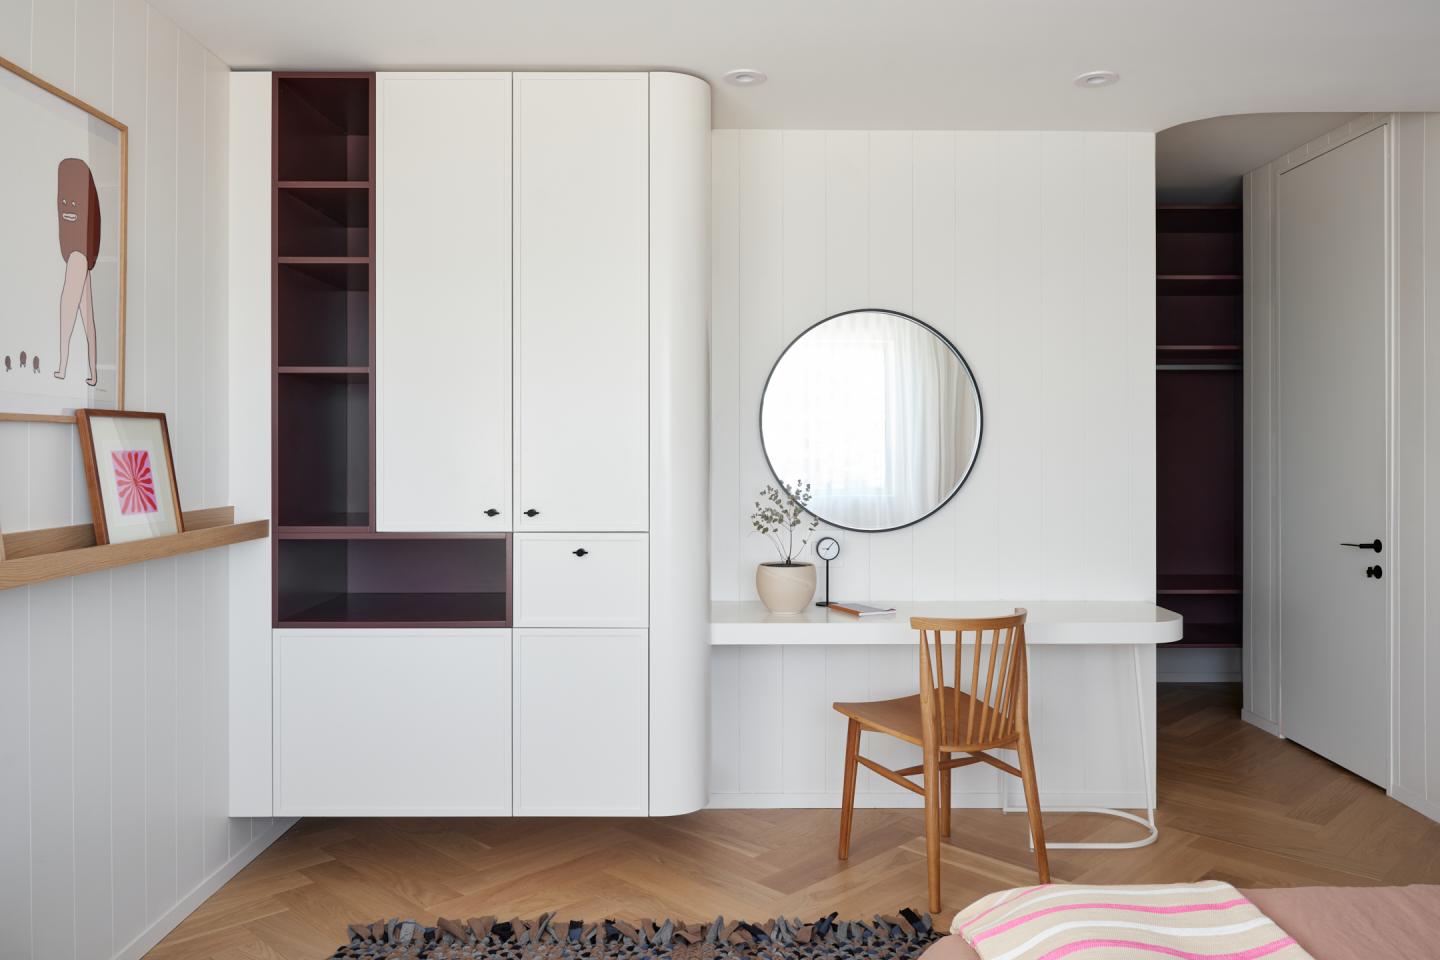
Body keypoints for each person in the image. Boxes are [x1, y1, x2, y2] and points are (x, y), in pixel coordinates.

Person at [55, 157, 100, 387]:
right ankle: (92, 372)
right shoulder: (77, 245)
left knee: (69, 310)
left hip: (78, 255)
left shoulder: (76, 254)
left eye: (74, 203)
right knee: (87, 317)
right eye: (64, 202)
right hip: (81, 255)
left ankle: (63, 366)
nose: (67, 207)